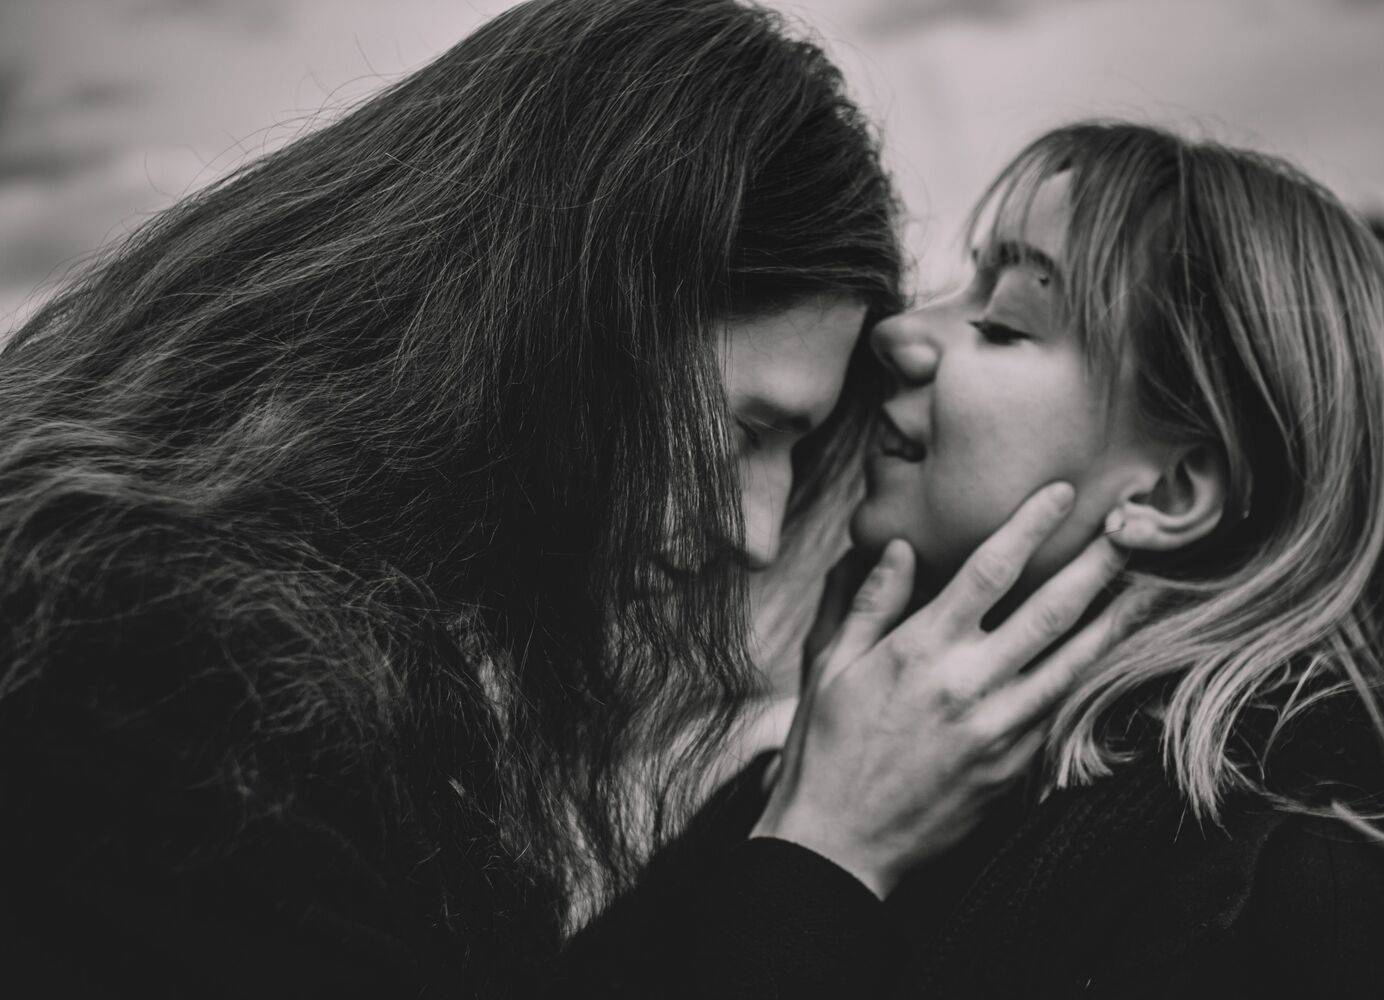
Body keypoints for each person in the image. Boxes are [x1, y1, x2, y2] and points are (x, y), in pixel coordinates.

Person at [0, 3, 1128, 997]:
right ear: (563, 328)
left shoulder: (254, 638)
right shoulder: (150, 670)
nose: (758, 531)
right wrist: (829, 858)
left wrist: (801, 822)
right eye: (749, 432)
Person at [847, 121, 1384, 997]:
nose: (898, 332)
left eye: (1002, 323)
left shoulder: (1296, 915)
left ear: (1167, 492)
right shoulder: (956, 791)